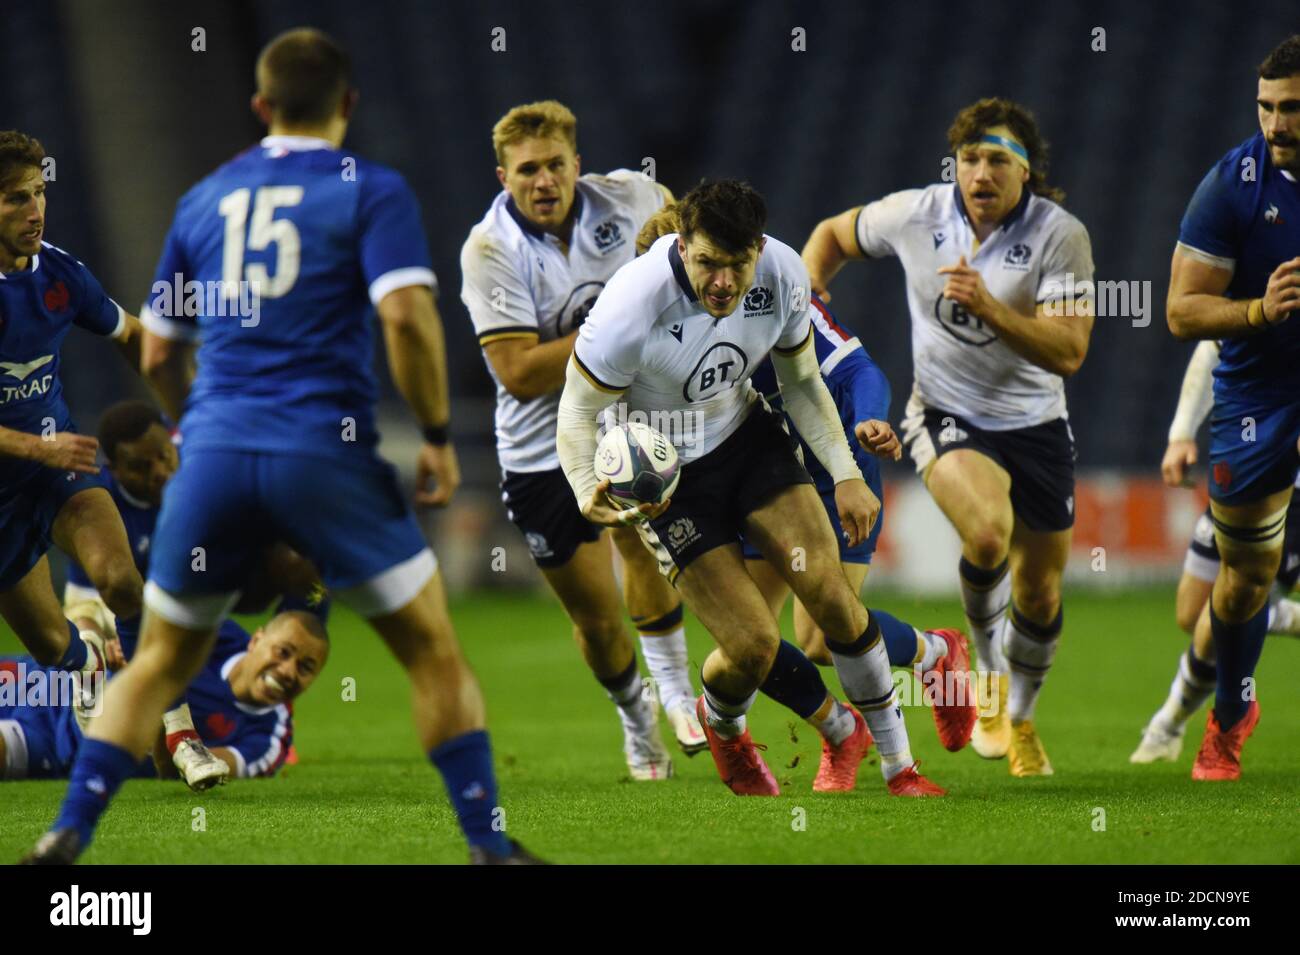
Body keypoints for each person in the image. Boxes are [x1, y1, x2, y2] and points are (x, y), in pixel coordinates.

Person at [23, 28, 540, 864]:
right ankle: (487, 844)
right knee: (433, 651)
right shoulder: (370, 189)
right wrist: (438, 435)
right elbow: (406, 318)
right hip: (322, 452)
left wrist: (203, 427)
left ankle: (66, 835)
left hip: (216, 450)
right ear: (348, 105)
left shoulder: (203, 198)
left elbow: (156, 349)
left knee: (155, 661)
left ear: (260, 106)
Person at [558, 179, 946, 797]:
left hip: (747, 441)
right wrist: (584, 487)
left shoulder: (783, 273)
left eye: (736, 265)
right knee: (753, 647)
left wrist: (846, 472)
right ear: (682, 245)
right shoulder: (631, 304)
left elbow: (802, 385)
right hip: (669, 481)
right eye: (708, 262)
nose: (722, 282)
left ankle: (902, 769)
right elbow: (577, 412)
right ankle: (727, 730)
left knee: (834, 601)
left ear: (759, 250)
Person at [801, 98, 1096, 776]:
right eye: (969, 159)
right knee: (988, 534)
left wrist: (991, 307)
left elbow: (1071, 350)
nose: (980, 173)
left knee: (1043, 592)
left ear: (1025, 170)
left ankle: (1020, 717)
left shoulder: (1060, 235)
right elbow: (832, 234)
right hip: (944, 413)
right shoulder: (916, 214)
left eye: (997, 159)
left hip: (1038, 424)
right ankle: (985, 676)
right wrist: (812, 297)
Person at [635, 207, 976, 759]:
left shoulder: (769, 299)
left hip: (831, 465)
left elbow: (859, 370)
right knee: (751, 641)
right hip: (754, 468)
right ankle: (835, 732)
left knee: (820, 636)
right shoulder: (653, 324)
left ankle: (937, 653)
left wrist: (870, 421)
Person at [461, 101, 702, 781]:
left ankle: (681, 696)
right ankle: (637, 720)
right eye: (528, 170)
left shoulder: (635, 199)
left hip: (627, 422)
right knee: (596, 620)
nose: (544, 181)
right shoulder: (488, 251)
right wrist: (614, 331)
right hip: (541, 451)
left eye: (556, 165)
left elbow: (690, 262)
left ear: (578, 164)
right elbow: (519, 371)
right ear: (503, 176)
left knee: (641, 541)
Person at [61, 398, 324, 788]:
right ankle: (124, 692)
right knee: (73, 637)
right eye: (142, 467)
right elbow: (86, 603)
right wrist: (105, 639)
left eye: (165, 457)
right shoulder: (98, 505)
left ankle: (265, 712)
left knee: (307, 564)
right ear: (115, 472)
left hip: (201, 590)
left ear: (173, 440)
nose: (161, 472)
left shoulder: (201, 458)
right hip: (129, 614)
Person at [1164, 34, 1300, 779]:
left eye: (1292, 109)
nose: (1276, 124)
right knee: (1246, 575)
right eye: (1267, 107)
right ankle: (1229, 712)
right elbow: (1182, 313)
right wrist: (1258, 311)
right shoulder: (1232, 185)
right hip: (1257, 392)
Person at [0, 129, 144, 696]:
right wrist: (38, 445)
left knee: (122, 582)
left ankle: (180, 733)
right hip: (18, 476)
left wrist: (197, 391)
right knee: (51, 647)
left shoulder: (61, 274)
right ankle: (89, 674)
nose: (34, 209)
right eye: (16, 197)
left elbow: (131, 332)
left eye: (39, 192)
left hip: (59, 468)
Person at [1132, 340, 1300, 763]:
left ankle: (1169, 724)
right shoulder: (1265, 286)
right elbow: (1213, 345)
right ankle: (1278, 615)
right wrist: (1182, 433)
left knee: (1219, 615)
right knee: (1193, 612)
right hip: (1248, 467)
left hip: (1289, 493)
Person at [1, 609, 328, 783]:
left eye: (305, 668)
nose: (288, 671)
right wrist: (113, 644)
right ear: (257, 640)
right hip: (40, 678)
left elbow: (185, 772)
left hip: (55, 743)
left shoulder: (270, 738)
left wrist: (155, 689)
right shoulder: (211, 632)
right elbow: (130, 616)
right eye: (283, 652)